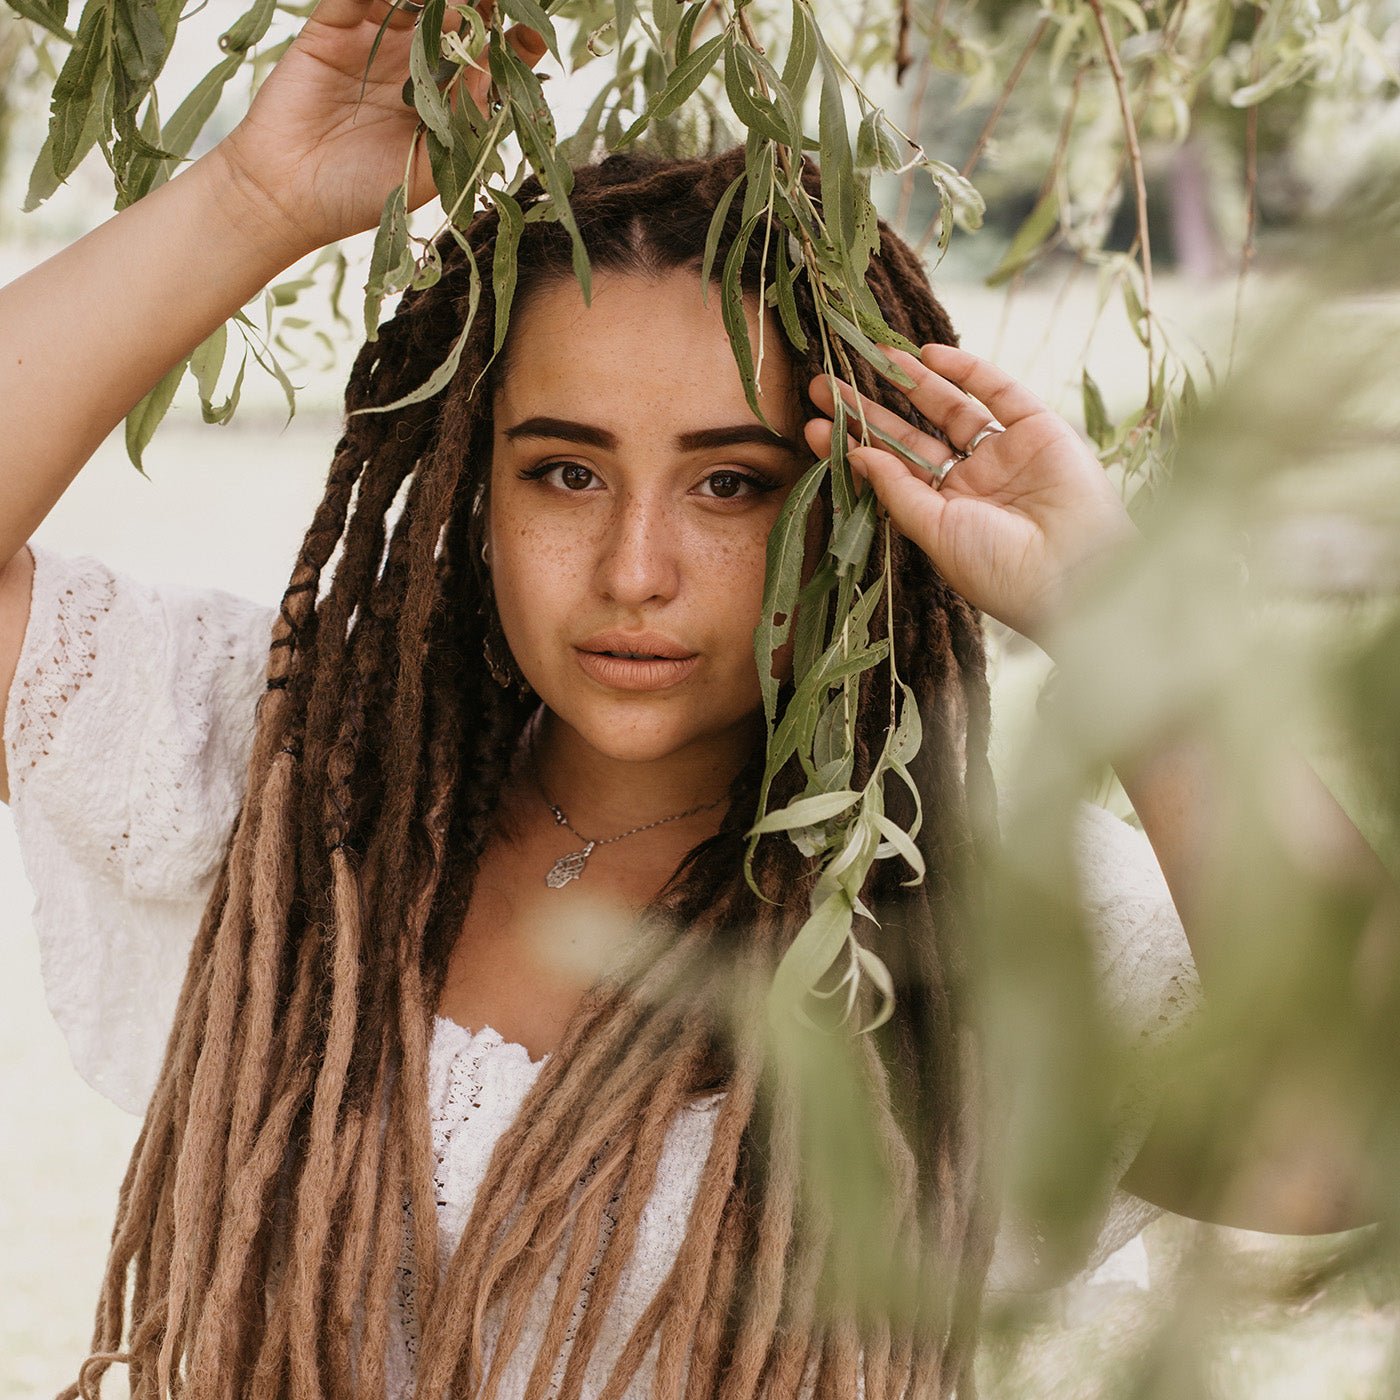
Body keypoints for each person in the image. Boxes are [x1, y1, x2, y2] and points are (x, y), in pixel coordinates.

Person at [0, 2, 1382, 1398]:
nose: (635, 570)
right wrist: (254, 198)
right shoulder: (291, 772)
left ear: (852, 505)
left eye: (732, 483)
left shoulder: (980, 928)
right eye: (567, 471)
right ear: (470, 485)